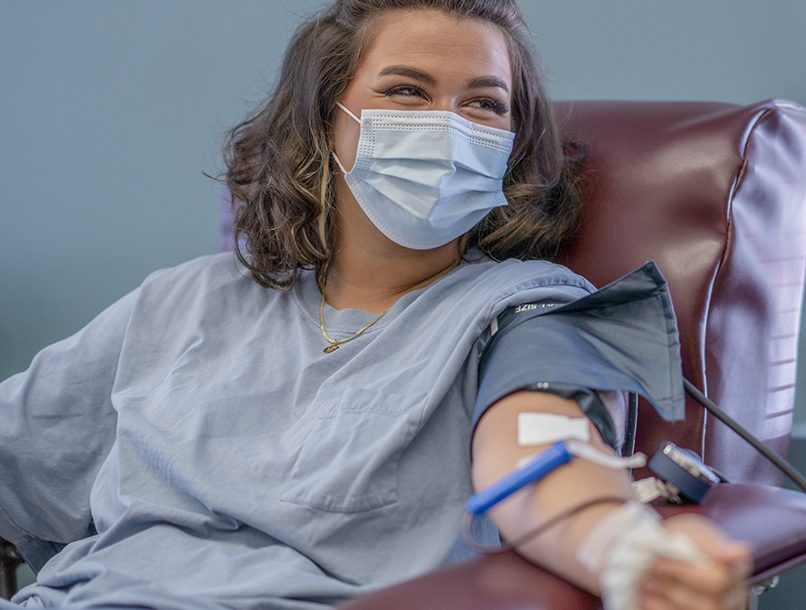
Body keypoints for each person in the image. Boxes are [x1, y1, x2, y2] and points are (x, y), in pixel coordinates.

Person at [0, 1, 752, 609]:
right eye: (406, 91)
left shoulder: (528, 313)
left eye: (485, 104)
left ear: (514, 143)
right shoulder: (184, 302)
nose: (450, 126)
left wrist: (620, 548)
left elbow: (543, 465)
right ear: (325, 121)